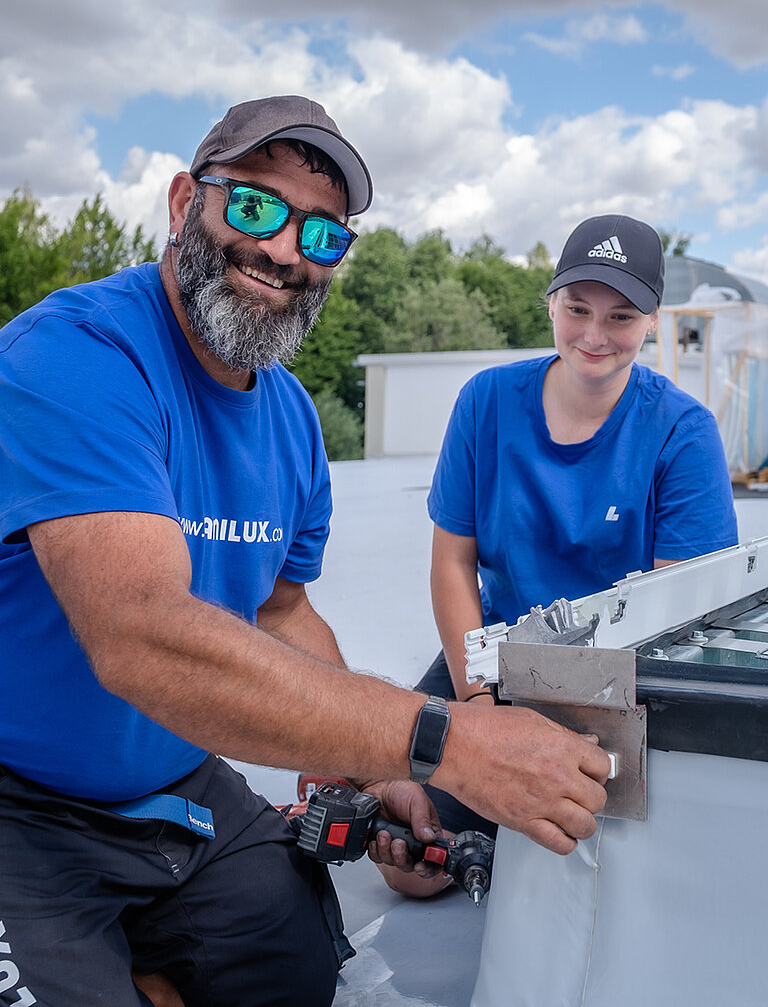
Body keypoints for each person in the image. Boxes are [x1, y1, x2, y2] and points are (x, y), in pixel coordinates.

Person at [0, 96, 610, 1007]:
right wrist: (445, 746)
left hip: (176, 789)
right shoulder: (74, 357)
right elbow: (139, 633)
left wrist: (378, 771)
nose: (286, 250)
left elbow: (282, 610)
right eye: (254, 206)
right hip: (20, 802)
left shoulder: (289, 417)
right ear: (182, 203)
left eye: (323, 234)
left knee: (297, 965)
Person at [397, 213, 738, 888]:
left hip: (613, 679)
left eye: (621, 316)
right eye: (577, 308)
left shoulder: (683, 435)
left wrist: (564, 730)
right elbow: (452, 563)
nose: (594, 334)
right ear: (551, 302)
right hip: (495, 655)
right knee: (416, 868)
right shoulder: (487, 403)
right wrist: (483, 709)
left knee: (587, 862)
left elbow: (677, 618)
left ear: (651, 320)